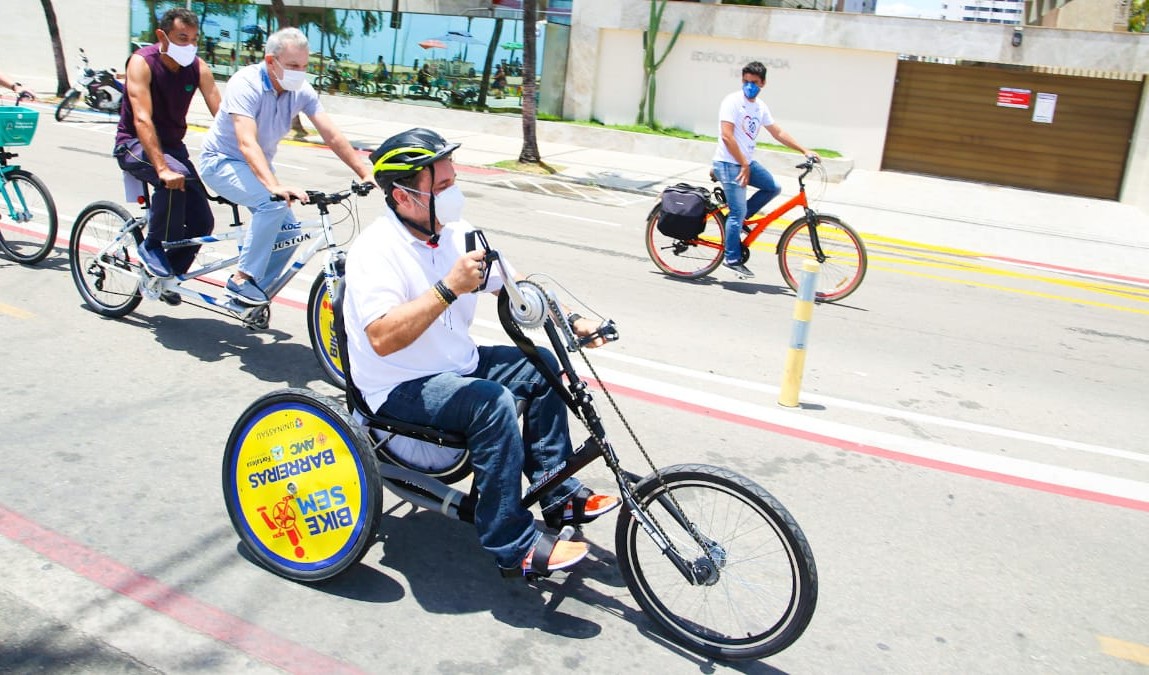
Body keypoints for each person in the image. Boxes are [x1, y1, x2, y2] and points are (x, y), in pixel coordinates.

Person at [343, 128, 620, 577]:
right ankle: (513, 541)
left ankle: (558, 492)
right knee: (490, 404)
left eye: (454, 181)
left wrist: (574, 321)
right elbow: (382, 337)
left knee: (542, 367)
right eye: (445, 186)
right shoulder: (376, 251)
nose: (456, 195)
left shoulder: (459, 234)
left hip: (456, 365)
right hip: (397, 386)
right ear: (404, 196)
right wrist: (449, 287)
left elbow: (519, 288)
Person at [199, 27, 372, 306]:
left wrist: (365, 172)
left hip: (258, 168)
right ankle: (241, 280)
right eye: (293, 66)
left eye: (304, 66)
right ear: (270, 61)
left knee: (290, 234)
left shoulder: (300, 90)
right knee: (273, 204)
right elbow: (246, 142)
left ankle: (252, 298)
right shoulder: (245, 83)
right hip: (222, 162)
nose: (300, 72)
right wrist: (274, 187)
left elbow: (332, 135)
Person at [114, 8, 221, 294]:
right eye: (182, 38)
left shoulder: (198, 68)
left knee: (202, 221)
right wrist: (161, 167)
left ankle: (170, 276)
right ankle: (152, 246)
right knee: (174, 178)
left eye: (194, 39)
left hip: (174, 148)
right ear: (162, 36)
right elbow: (141, 119)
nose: (190, 45)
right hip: (133, 143)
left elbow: (224, 116)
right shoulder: (142, 62)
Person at [713, 61, 817, 278]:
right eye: (746, 81)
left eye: (754, 82)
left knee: (773, 187)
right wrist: (743, 164)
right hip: (728, 163)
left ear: (763, 83)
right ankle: (731, 258)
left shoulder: (760, 107)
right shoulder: (732, 101)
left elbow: (777, 132)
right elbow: (727, 136)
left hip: (744, 163)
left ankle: (737, 223)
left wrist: (804, 150)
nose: (749, 86)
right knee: (738, 211)